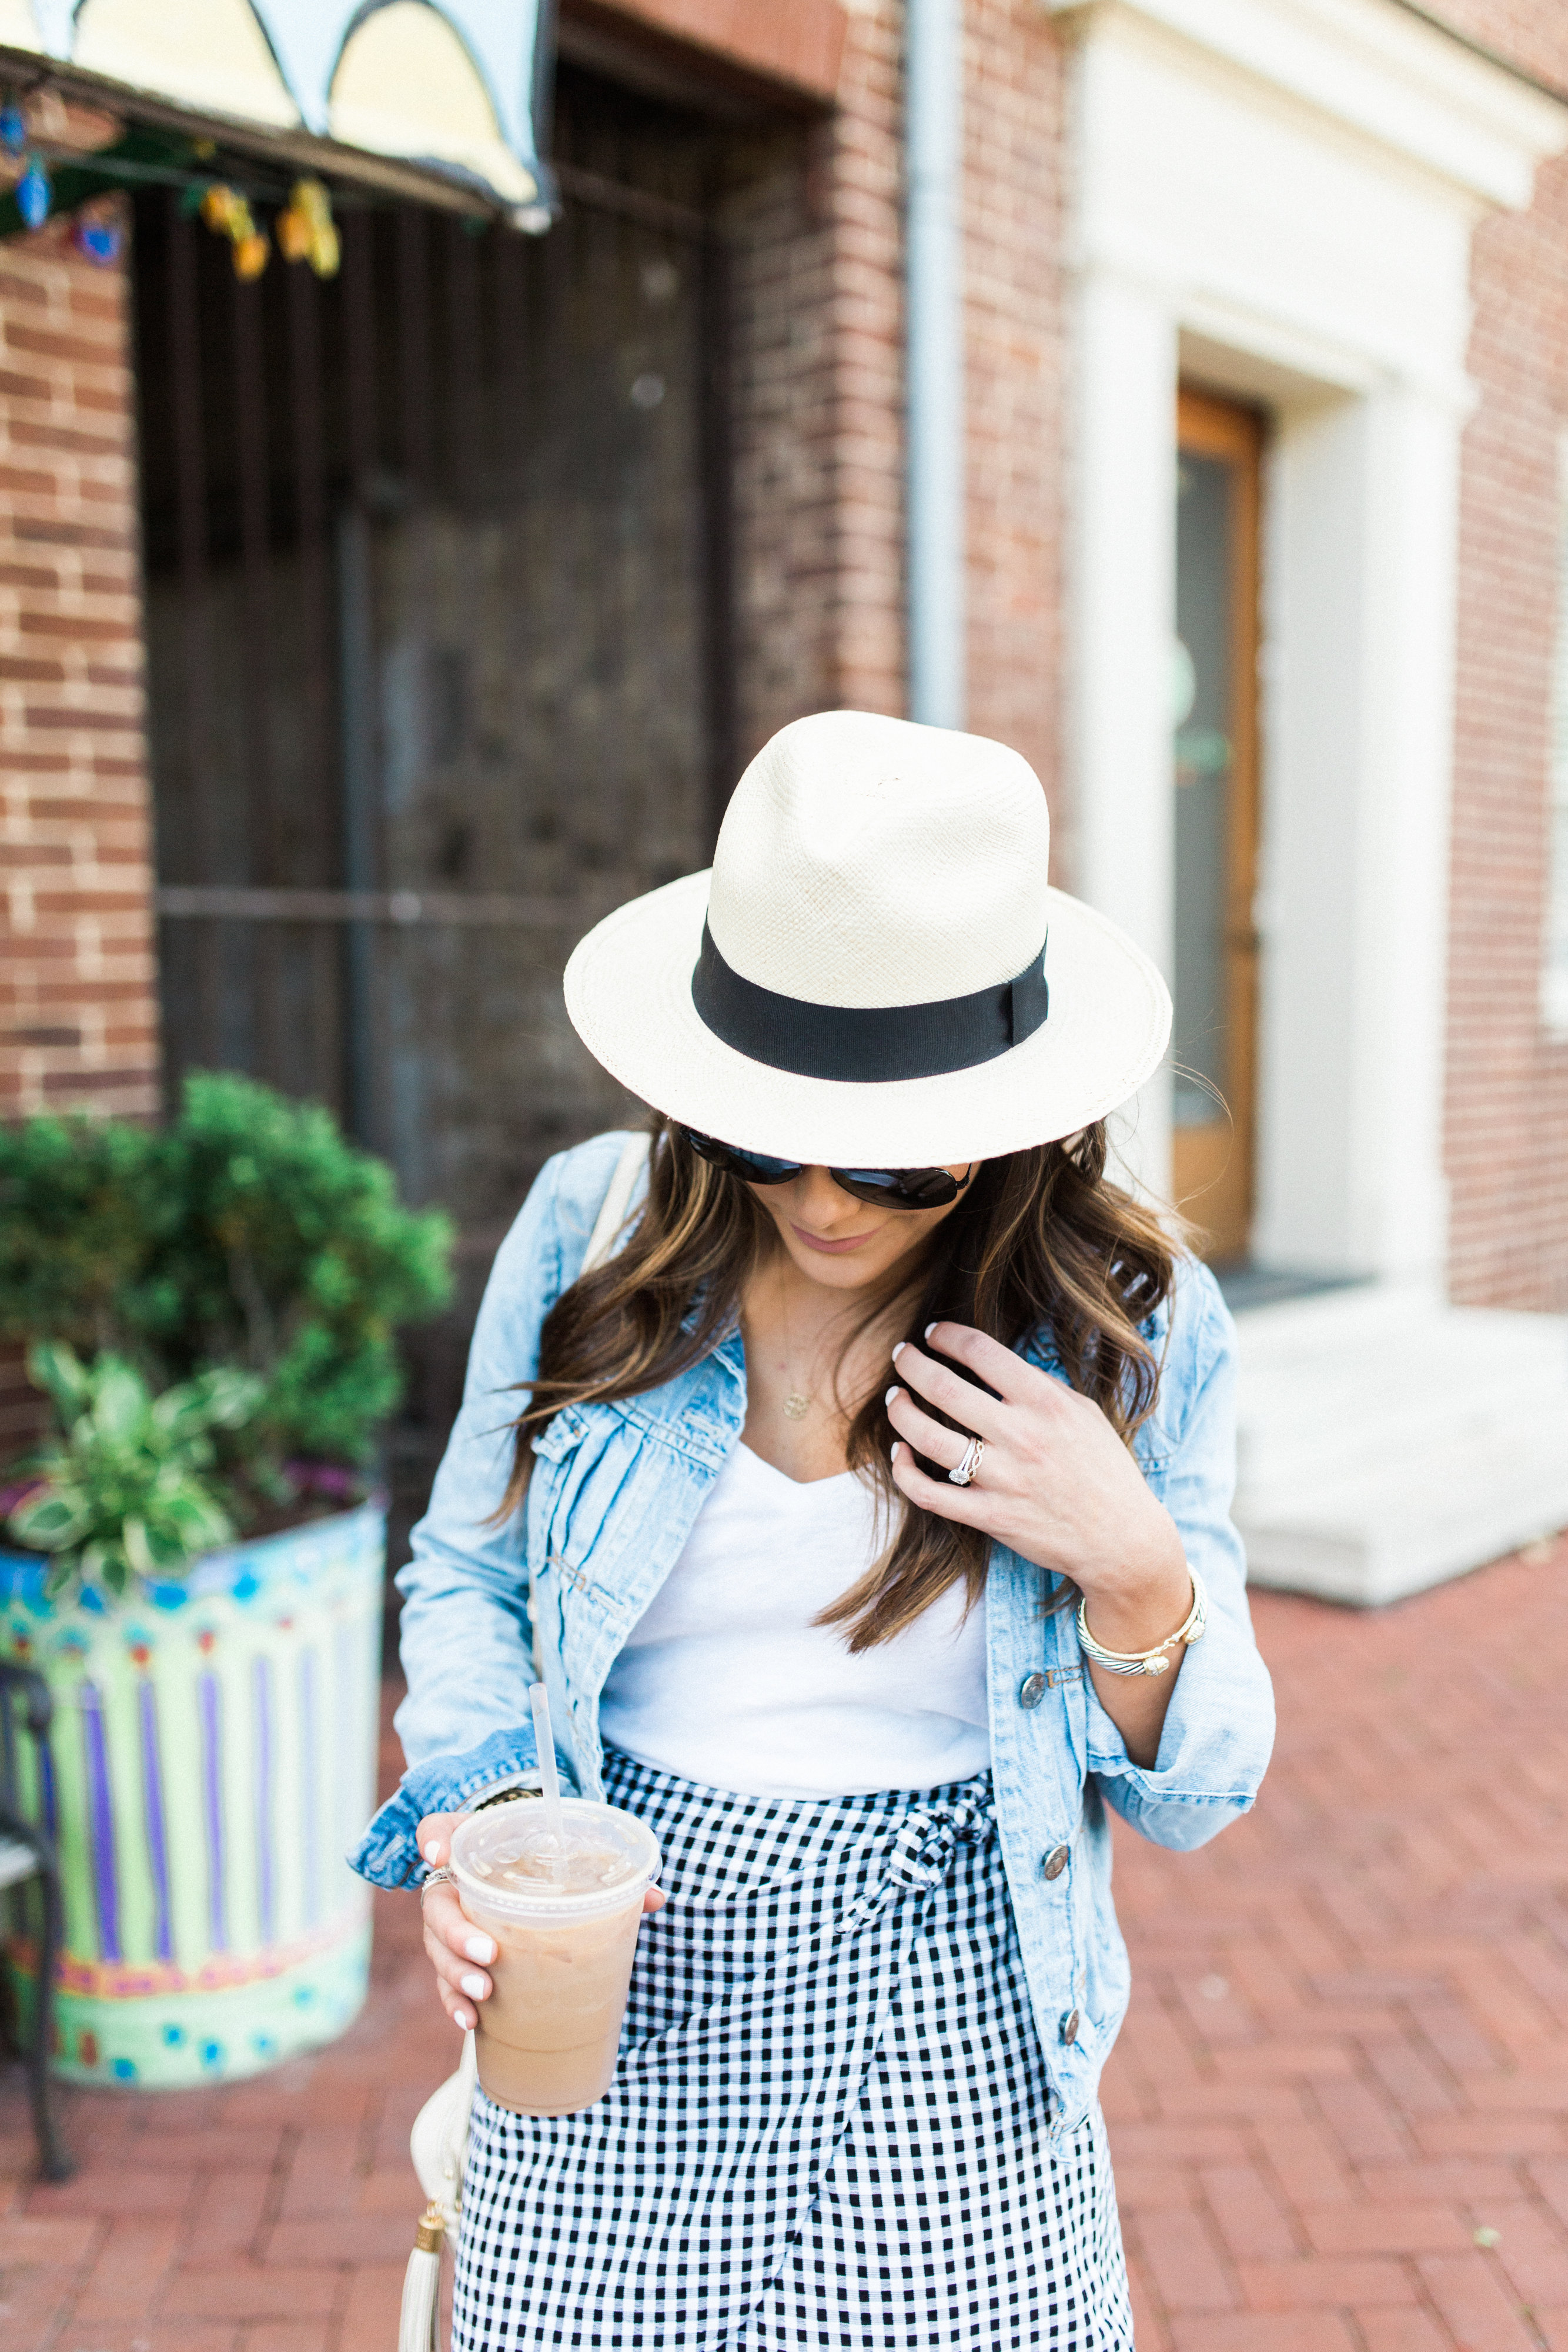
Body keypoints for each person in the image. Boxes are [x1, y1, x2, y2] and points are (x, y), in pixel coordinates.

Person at [353, 709, 1275, 2350]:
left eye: (896, 1159)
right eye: (763, 1132)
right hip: (621, 1947)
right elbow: (470, 1570)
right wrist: (486, 1821)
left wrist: (1127, 1557)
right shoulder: (590, 1226)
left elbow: (1196, 1788)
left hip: (955, 1979)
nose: (826, 1203)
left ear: (1015, 1111)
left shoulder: (1133, 1322)